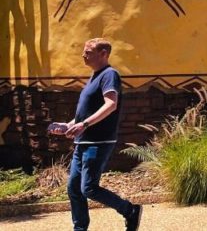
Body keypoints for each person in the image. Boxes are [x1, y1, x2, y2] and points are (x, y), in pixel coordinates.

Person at [51, 38, 142, 231]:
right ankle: (80, 228)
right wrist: (68, 125)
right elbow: (86, 113)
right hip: (83, 142)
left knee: (89, 188)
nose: (84, 55)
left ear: (104, 54)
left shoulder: (110, 75)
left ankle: (129, 210)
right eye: (84, 51)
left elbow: (111, 104)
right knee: (74, 189)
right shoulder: (94, 77)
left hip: (98, 142)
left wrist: (84, 124)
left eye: (89, 51)